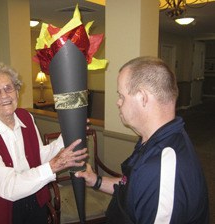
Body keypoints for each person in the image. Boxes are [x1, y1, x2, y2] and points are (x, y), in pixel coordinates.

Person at [76, 56, 209, 223]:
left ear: (142, 97)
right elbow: (132, 186)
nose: (118, 102)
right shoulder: (154, 139)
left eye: (121, 95)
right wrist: (96, 180)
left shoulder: (161, 167)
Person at [0, 62, 88, 224]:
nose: (4, 96)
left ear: (17, 92)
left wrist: (68, 135)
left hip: (34, 200)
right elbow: (7, 187)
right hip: (0, 210)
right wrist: (53, 166)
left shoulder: (26, 117)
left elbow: (39, 156)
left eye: (8, 88)